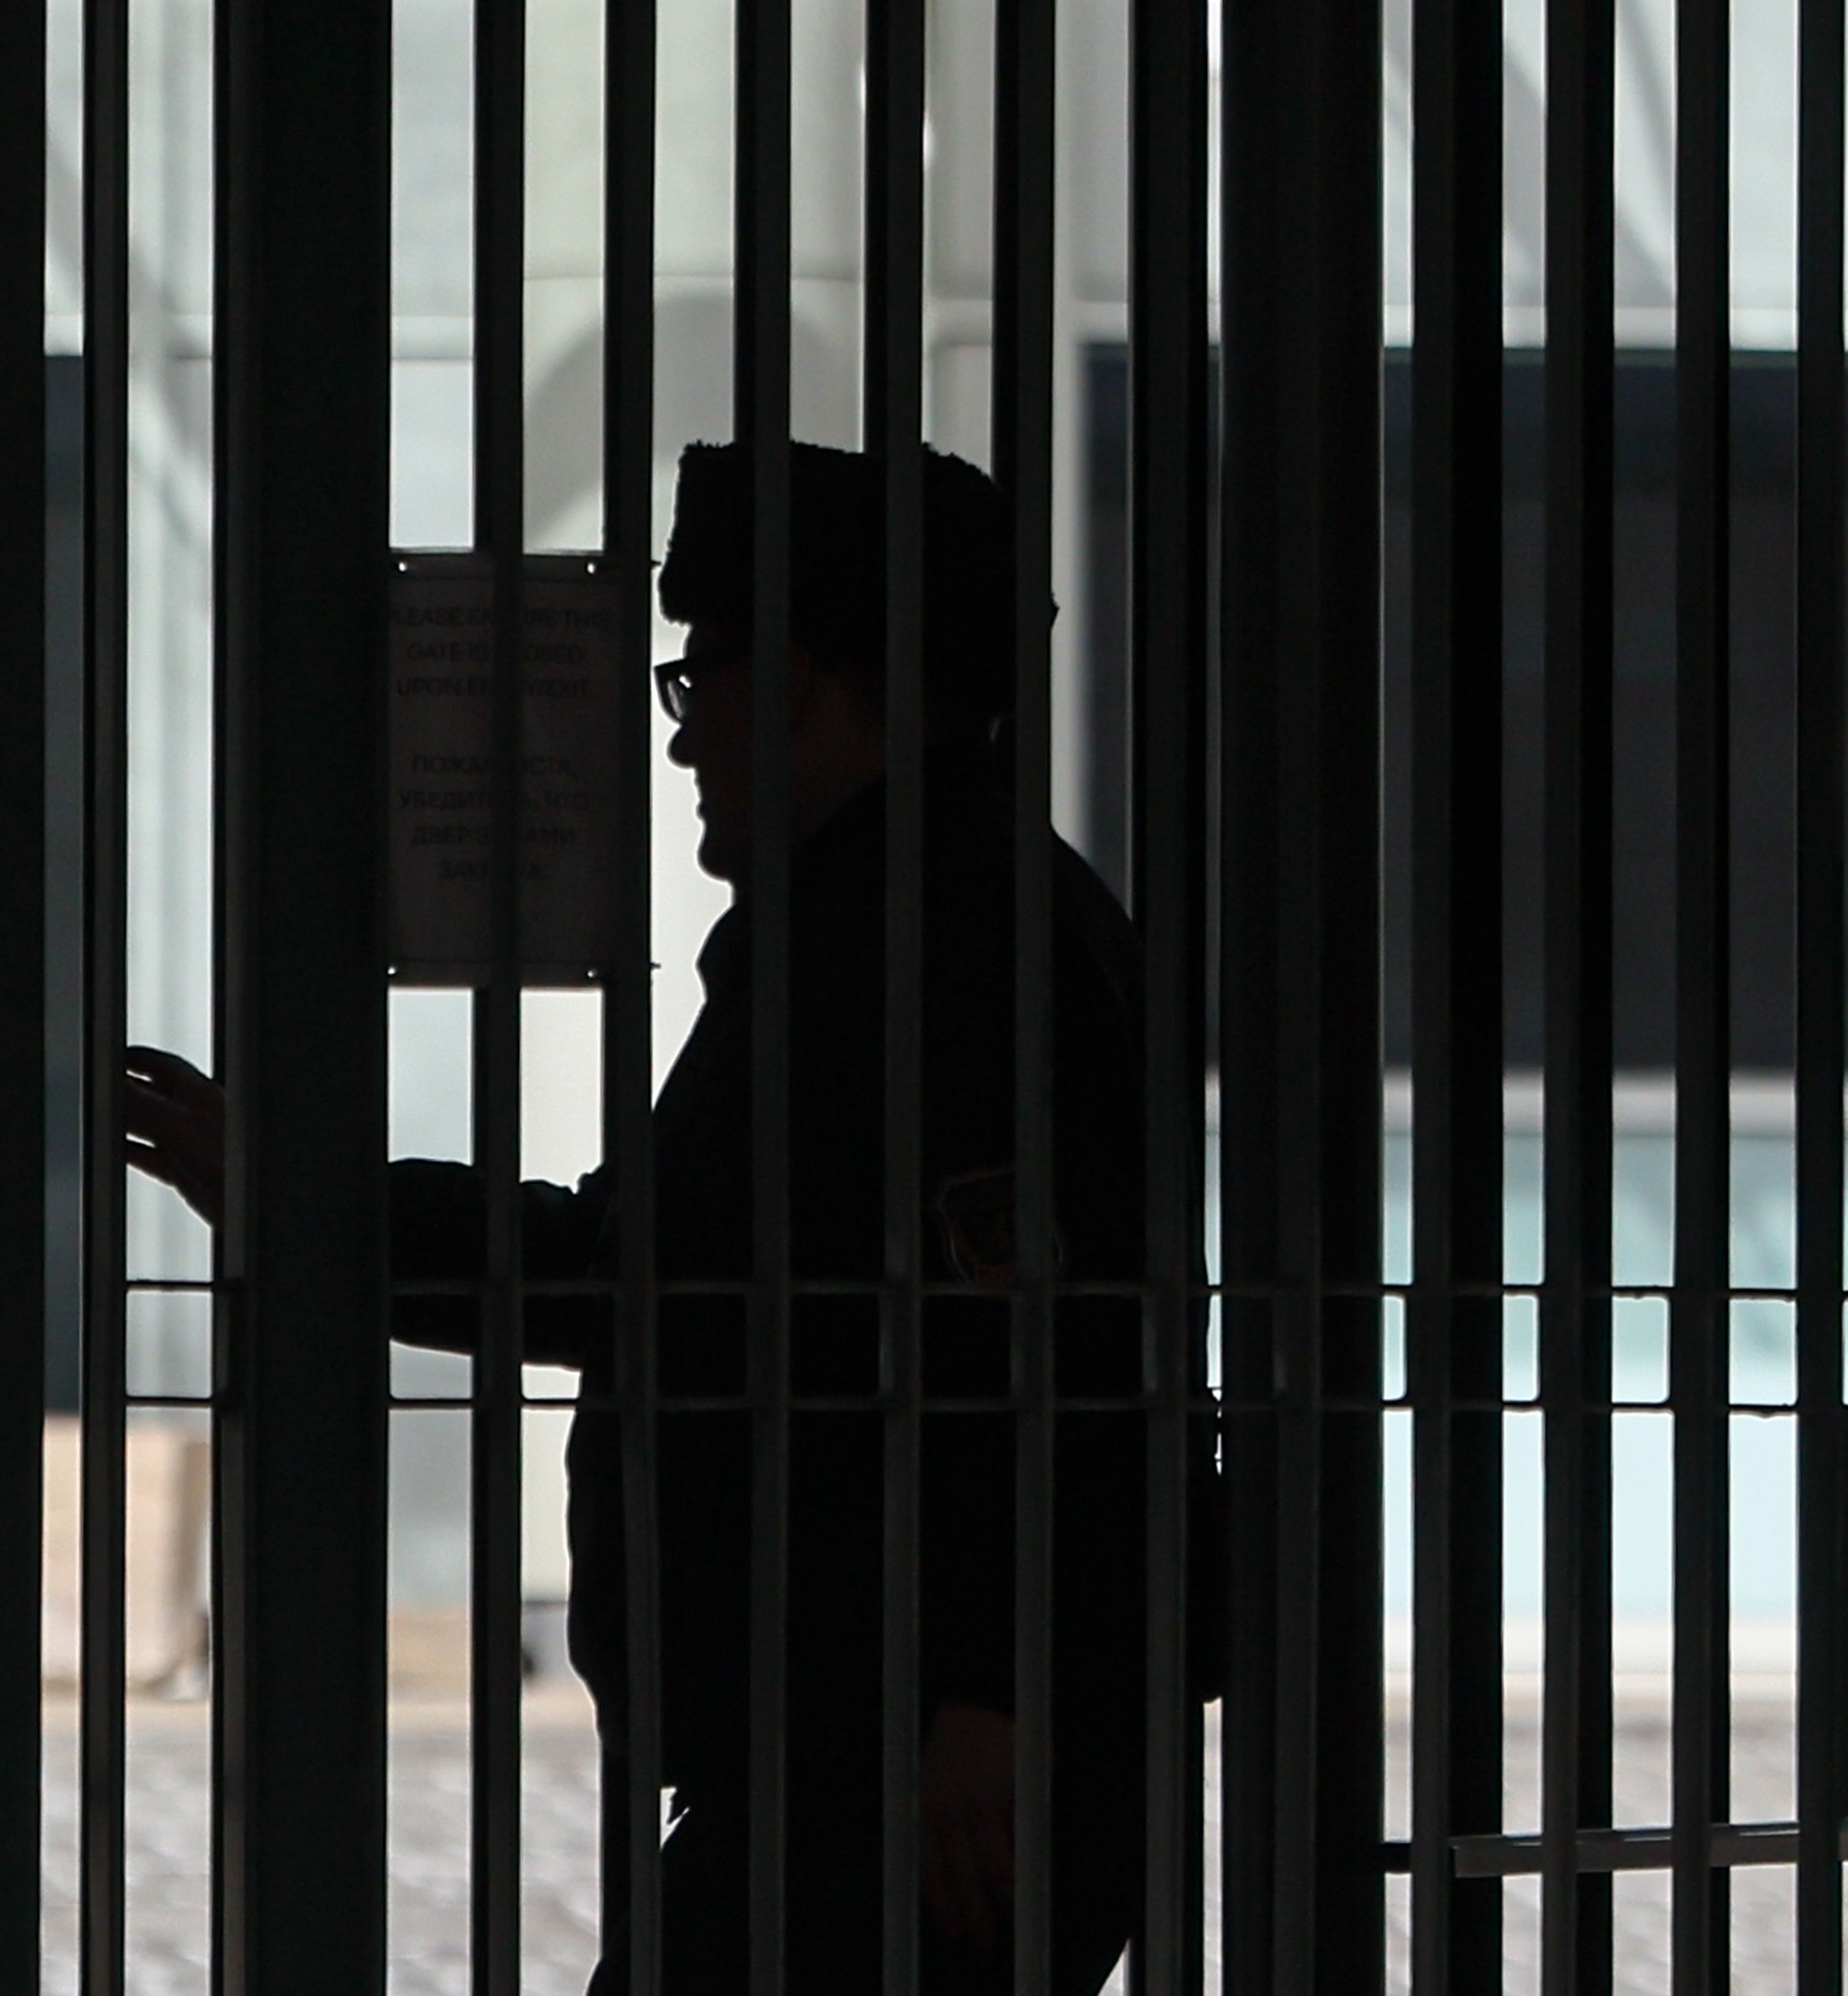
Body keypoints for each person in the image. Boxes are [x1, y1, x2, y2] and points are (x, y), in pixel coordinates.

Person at [123, 441, 1209, 1995]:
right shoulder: (887, 926)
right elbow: (657, 1281)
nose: (685, 745)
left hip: (916, 1772)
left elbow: (1069, 1344)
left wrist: (993, 1695)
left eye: (702, 687)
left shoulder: (945, 947)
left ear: (820, 683)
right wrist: (308, 1206)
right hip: (863, 1754)